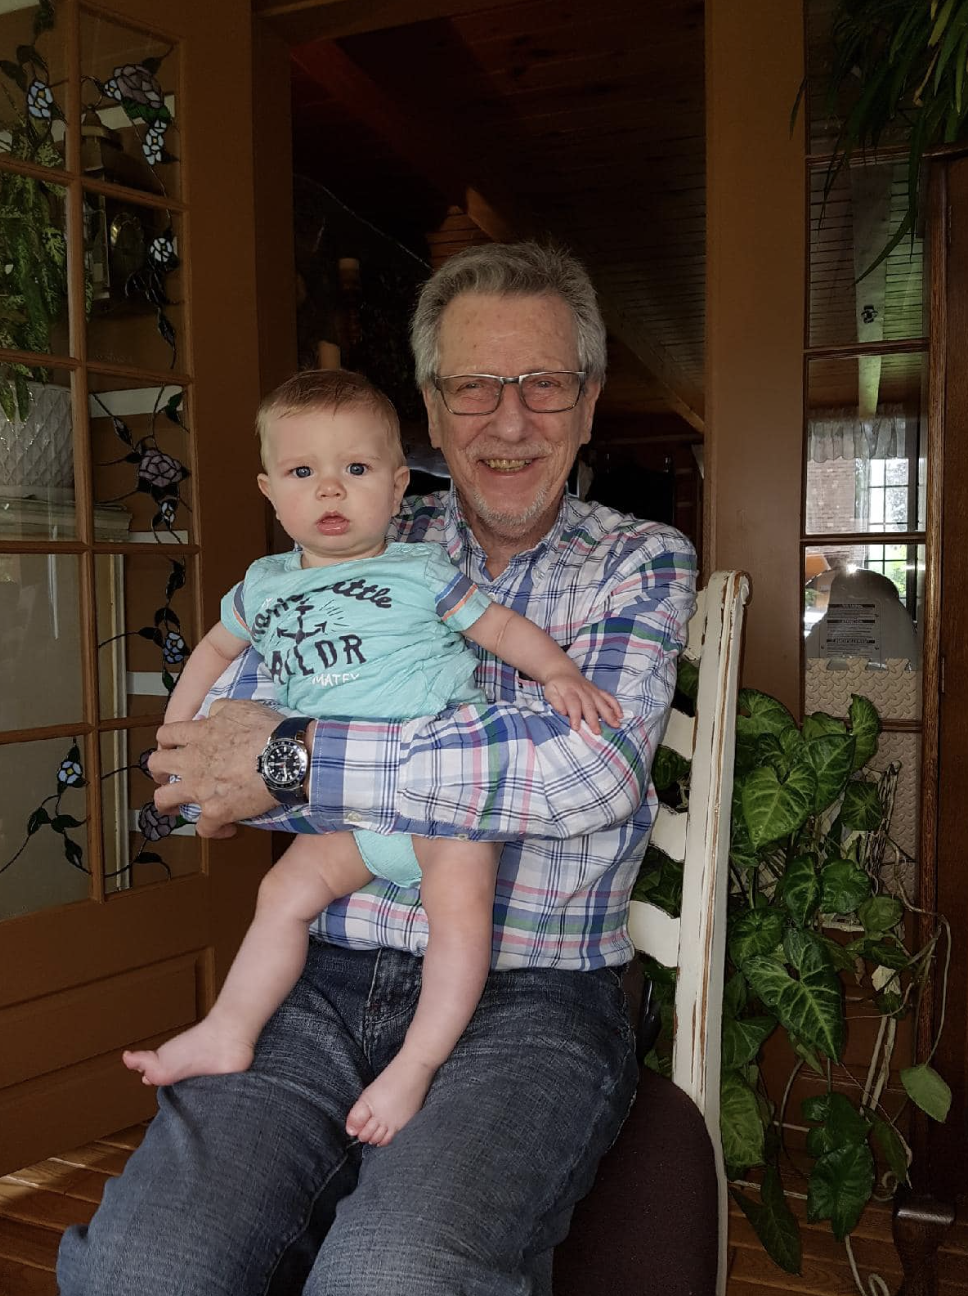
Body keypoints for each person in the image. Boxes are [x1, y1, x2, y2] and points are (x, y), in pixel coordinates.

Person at [58, 241, 697, 1296]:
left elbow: (590, 778)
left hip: (533, 996)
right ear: (431, 416)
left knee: (391, 1278)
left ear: (586, 404)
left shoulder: (638, 560)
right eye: (471, 387)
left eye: (541, 384)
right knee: (138, 1270)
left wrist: (295, 756)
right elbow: (217, 738)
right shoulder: (356, 525)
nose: (506, 420)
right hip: (320, 972)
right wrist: (235, 760)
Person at [121, 367, 621, 1148]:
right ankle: (229, 1026)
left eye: (355, 471)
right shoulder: (262, 588)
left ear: (396, 489)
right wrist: (178, 741)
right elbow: (214, 657)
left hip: (443, 798)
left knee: (461, 921)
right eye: (302, 473)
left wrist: (556, 673)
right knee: (283, 893)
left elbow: (496, 632)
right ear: (269, 491)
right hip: (352, 815)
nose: (329, 491)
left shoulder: (419, 571)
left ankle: (415, 1066)